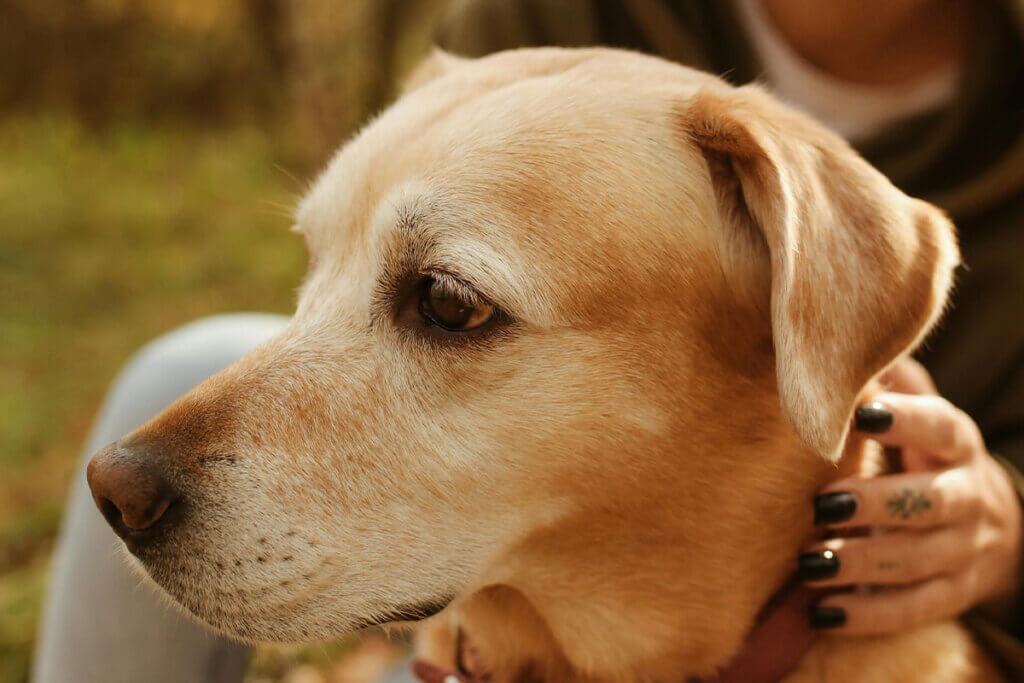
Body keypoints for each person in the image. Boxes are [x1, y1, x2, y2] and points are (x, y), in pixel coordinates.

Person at [31, 1, 1024, 681]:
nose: (142, 478)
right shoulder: (536, 16)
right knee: (177, 367)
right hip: (496, 631)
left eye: (448, 306)